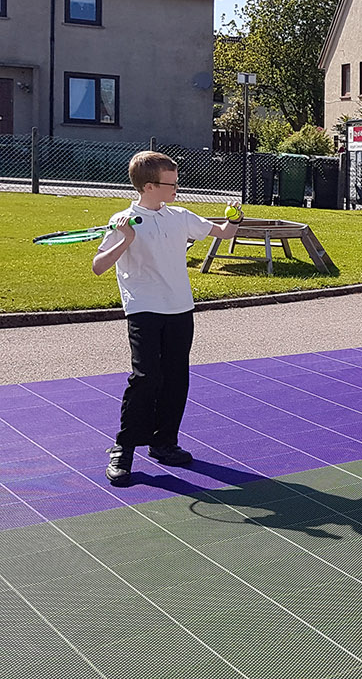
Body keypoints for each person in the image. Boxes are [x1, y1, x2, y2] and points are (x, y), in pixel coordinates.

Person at [93, 151, 242, 486]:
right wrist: (126, 240)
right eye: (170, 184)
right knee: (146, 377)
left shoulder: (180, 216)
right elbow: (99, 266)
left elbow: (223, 233)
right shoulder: (124, 220)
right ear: (148, 186)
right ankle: (124, 448)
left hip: (180, 308)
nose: (176, 189)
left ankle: (164, 442)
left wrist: (234, 219)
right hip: (144, 308)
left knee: (176, 378)